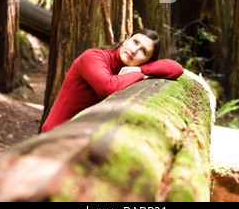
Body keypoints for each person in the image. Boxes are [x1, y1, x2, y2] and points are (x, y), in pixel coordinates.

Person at [41, 29, 183, 133]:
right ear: (127, 39)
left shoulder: (133, 68)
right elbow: (108, 87)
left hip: (82, 134)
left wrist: (141, 70)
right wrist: (140, 74)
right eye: (135, 42)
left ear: (148, 61)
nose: (134, 50)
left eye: (143, 51)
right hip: (55, 134)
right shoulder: (93, 56)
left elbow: (177, 69)